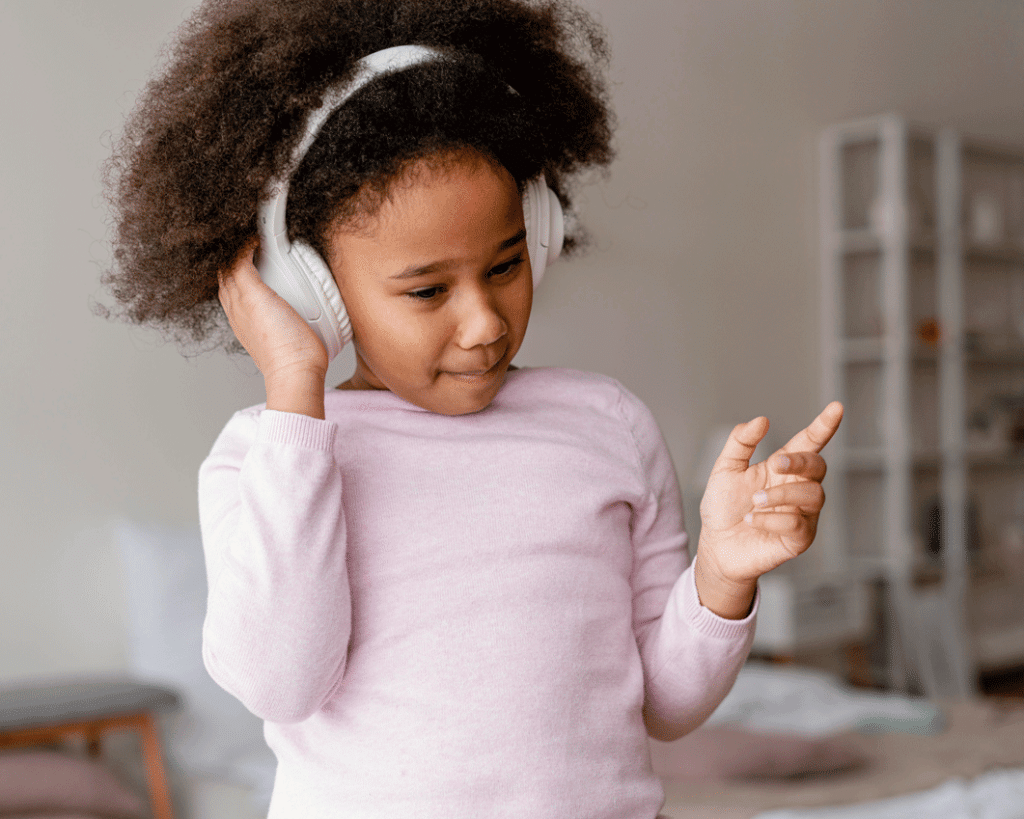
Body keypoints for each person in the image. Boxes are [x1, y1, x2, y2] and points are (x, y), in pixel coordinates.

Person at [100, 0, 843, 816]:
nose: (485, 322)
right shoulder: (267, 455)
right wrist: (294, 384)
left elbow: (664, 706)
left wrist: (720, 576)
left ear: (542, 229)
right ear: (314, 289)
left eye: (504, 264)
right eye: (426, 289)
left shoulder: (609, 425)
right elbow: (284, 678)